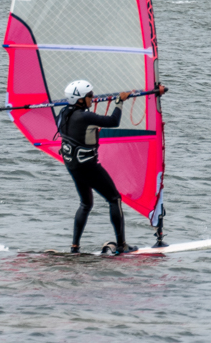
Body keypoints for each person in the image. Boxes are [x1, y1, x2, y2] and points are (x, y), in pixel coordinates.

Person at [55, 80, 164, 254]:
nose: (93, 97)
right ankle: (122, 245)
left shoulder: (63, 114)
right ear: (80, 100)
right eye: (90, 96)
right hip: (88, 166)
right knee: (114, 199)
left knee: (85, 204)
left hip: (73, 166)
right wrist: (119, 102)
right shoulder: (85, 117)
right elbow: (113, 121)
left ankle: (74, 247)